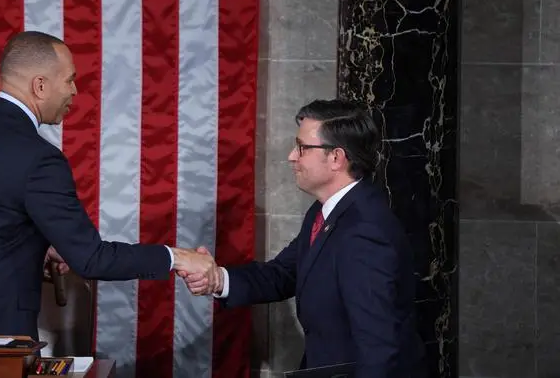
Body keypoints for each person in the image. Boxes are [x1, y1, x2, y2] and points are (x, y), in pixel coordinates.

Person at [0, 31, 215, 340]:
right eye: (69, 80)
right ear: (40, 86)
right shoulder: (39, 159)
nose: (75, 91)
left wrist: (31, 246)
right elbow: (92, 258)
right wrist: (176, 257)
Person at [181, 99, 427, 377]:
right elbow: (283, 274)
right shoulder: (326, 212)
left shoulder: (364, 230)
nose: (291, 156)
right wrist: (217, 279)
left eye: (302, 148)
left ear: (336, 157)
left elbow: (379, 346)